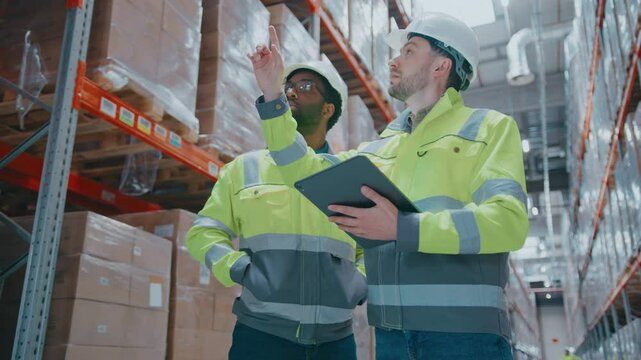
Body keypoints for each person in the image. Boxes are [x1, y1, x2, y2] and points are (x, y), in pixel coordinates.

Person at [248, 13, 528, 360]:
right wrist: (273, 95)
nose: (394, 61)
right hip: (391, 337)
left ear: (442, 66)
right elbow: (303, 169)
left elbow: (508, 222)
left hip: (464, 338)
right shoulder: (382, 147)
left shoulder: (487, 128)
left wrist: (402, 227)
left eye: (409, 51)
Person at [185, 60, 367, 360]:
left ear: (328, 109)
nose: (293, 92)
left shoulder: (347, 176)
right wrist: (239, 269)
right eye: (289, 87)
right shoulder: (244, 169)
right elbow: (203, 233)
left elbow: (372, 247)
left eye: (305, 87)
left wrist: (357, 284)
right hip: (262, 337)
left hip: (335, 342)